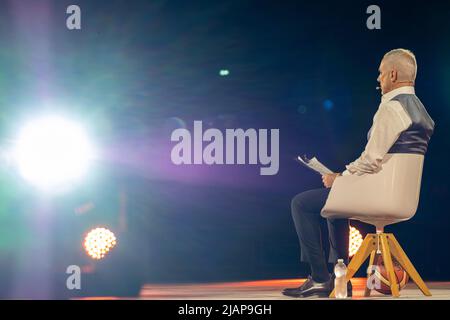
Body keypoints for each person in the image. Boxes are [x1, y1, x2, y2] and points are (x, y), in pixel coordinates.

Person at [283, 48, 435, 298]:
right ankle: (343, 280)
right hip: (405, 200)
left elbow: (370, 160)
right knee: (336, 207)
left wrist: (339, 178)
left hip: (380, 195)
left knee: (300, 203)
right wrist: (341, 182)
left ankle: (320, 278)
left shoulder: (392, 108)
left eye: (381, 73)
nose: (378, 79)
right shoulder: (421, 112)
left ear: (393, 75)